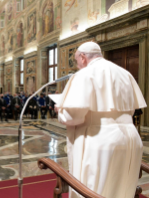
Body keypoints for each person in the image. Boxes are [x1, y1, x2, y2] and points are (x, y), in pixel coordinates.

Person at [54, 42, 147, 198]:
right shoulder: (125, 73)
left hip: (99, 140)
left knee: (94, 189)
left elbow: (73, 117)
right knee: (122, 188)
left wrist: (60, 110)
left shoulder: (84, 74)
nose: (78, 65)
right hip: (130, 138)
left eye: (77, 61)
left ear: (83, 57)